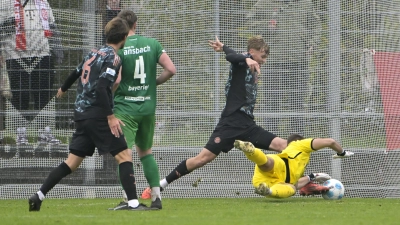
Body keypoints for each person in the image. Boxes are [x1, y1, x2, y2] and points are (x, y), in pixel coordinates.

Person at [28, 17, 156, 211]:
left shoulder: (93, 53)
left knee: (71, 162)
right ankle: (133, 203)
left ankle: (38, 195)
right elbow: (104, 87)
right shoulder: (113, 58)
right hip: (98, 115)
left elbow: (76, 72)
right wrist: (111, 116)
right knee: (124, 156)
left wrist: (63, 88)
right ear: (124, 37)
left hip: (81, 114)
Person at [141, 36, 287, 197]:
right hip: (229, 124)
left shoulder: (250, 63)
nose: (264, 61)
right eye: (262, 56)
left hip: (248, 125)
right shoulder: (241, 62)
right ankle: (160, 185)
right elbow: (232, 56)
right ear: (252, 52)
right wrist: (246, 59)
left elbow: (232, 54)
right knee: (202, 159)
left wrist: (225, 46)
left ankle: (301, 181)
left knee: (284, 146)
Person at [110, 9, 176, 210]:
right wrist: (153, 83)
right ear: (135, 25)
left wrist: (109, 94)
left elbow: (117, 79)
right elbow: (171, 70)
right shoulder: (152, 44)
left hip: (125, 108)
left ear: (120, 26)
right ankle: (156, 198)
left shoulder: (119, 48)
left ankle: (128, 199)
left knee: (124, 154)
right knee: (146, 152)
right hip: (147, 107)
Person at [243, 0, 322, 135]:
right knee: (271, 101)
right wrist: (266, 27)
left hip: (298, 60)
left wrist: (312, 44)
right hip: (272, 61)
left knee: (297, 101)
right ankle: (271, 139)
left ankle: (297, 140)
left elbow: (316, 26)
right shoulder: (264, 4)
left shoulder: (305, 4)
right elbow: (250, 22)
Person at [0, 0, 64, 144]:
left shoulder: (43, 2)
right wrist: (8, 25)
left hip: (42, 53)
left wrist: (58, 48)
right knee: (19, 94)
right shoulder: (5, 3)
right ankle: (21, 133)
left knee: (43, 93)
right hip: (16, 55)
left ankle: (44, 132)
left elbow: (52, 26)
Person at [233, 134, 354, 198]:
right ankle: (268, 191)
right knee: (271, 166)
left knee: (268, 165)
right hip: (282, 167)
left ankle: (251, 152)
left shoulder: (299, 164)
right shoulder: (299, 144)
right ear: (298, 140)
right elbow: (330, 142)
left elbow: (296, 184)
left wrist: (312, 176)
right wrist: (341, 153)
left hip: (263, 181)